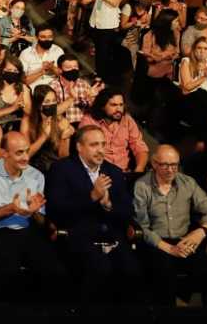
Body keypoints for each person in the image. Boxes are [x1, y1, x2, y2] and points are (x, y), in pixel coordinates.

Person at [46, 125, 144, 303]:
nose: (100, 150)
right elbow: (56, 211)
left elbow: (128, 211)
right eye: (94, 145)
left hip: (113, 238)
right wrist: (92, 197)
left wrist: (107, 204)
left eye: (103, 144)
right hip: (79, 238)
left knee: (132, 272)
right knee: (100, 271)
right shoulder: (62, 169)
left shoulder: (113, 171)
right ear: (79, 147)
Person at [0, 131, 68, 302]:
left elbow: (41, 220)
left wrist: (33, 211)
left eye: (26, 151)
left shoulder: (36, 176)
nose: (26, 157)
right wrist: (12, 208)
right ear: (5, 153)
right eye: (19, 153)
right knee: (6, 273)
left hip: (28, 231)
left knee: (55, 271)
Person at [133, 145, 207, 307]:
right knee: (165, 275)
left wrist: (202, 231)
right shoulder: (142, 186)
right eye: (165, 165)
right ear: (154, 164)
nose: (170, 170)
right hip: (157, 245)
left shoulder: (187, 182)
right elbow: (141, 226)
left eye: (174, 165)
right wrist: (168, 248)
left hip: (185, 242)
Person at [79, 89, 149, 174]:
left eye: (121, 105)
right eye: (113, 105)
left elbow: (139, 147)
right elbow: (86, 153)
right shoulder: (89, 121)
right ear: (102, 106)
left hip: (125, 172)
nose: (118, 109)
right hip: (99, 174)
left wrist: (139, 170)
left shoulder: (127, 120)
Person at [88, 0, 126, 86]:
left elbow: (115, 2)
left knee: (104, 51)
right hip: (97, 17)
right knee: (98, 49)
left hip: (108, 21)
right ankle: (98, 71)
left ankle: (101, 77)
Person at [21, 85, 75, 173]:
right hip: (33, 168)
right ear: (38, 105)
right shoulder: (28, 121)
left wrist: (64, 138)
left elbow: (63, 157)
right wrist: (43, 136)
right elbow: (25, 154)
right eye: (47, 101)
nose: (51, 104)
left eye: (54, 101)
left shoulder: (60, 120)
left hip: (56, 168)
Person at [49, 55, 104, 127]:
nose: (73, 69)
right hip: (63, 127)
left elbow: (93, 111)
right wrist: (71, 98)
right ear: (60, 70)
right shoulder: (53, 86)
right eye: (68, 67)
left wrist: (92, 98)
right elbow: (51, 113)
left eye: (75, 67)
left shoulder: (84, 84)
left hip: (83, 127)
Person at [0, 56, 32, 133]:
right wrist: (13, 108)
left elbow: (29, 112)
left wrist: (22, 105)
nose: (12, 73)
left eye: (15, 71)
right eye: (9, 70)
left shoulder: (23, 88)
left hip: (19, 125)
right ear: (2, 71)